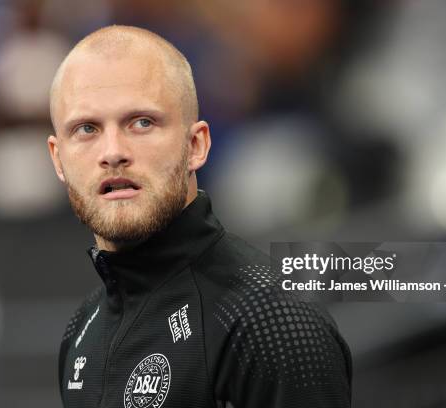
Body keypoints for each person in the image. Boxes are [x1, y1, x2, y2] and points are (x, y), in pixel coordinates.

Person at [47, 25, 352, 408]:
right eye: (86, 128)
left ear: (196, 146)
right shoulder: (82, 329)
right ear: (59, 159)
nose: (113, 151)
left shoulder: (273, 324)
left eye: (142, 122)